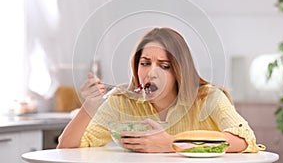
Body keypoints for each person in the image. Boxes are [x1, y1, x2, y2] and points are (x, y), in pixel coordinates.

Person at [57, 27, 265, 153]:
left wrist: (172, 143)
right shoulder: (121, 101)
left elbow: (245, 140)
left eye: (164, 66)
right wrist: (90, 105)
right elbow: (67, 147)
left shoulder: (208, 98)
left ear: (179, 71)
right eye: (145, 63)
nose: (151, 73)